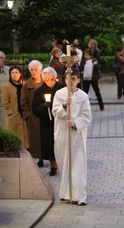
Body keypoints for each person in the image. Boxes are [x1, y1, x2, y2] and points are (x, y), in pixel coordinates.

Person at [52, 71, 92, 206]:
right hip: (63, 133)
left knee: (78, 164)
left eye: (73, 79)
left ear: (78, 80)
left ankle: (80, 195)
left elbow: (87, 116)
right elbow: (55, 112)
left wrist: (75, 123)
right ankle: (65, 193)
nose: (71, 81)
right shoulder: (59, 94)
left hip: (76, 135)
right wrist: (64, 105)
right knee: (64, 163)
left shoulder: (83, 96)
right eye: (68, 78)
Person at [32, 67, 62, 176]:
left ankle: (63, 163)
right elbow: (34, 110)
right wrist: (44, 107)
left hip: (60, 121)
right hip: (47, 123)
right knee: (50, 144)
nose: (50, 82)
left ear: (55, 78)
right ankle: (53, 165)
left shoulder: (62, 89)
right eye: (47, 80)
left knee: (61, 143)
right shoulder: (39, 92)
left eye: (52, 79)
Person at [21, 60, 43, 166]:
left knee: (47, 137)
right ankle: (40, 158)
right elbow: (23, 102)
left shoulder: (46, 81)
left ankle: (52, 161)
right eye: (31, 70)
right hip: (33, 117)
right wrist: (28, 115)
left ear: (41, 70)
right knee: (35, 139)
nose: (33, 72)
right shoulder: (27, 85)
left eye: (36, 70)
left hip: (45, 116)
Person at [2, 66, 28, 148]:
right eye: (12, 73)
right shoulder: (6, 86)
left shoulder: (24, 84)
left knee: (24, 135)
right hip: (13, 114)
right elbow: (5, 101)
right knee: (13, 133)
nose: (14, 74)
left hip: (23, 114)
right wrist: (10, 112)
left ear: (20, 74)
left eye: (16, 72)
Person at [0, 51, 10, 129]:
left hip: (6, 105)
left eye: (1, 58)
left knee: (5, 126)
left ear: (4, 60)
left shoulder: (10, 71)